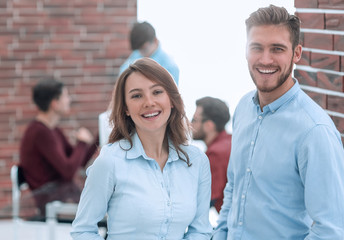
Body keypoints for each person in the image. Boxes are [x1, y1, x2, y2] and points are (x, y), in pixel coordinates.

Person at [213, 5, 344, 240]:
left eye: (277, 49)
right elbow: (234, 189)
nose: (265, 59)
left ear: (296, 53)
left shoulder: (314, 131)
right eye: (257, 48)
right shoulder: (243, 108)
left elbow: (330, 229)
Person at [71, 58, 212, 240]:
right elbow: (82, 230)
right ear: (126, 109)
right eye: (137, 95)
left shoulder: (196, 161)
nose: (149, 102)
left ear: (171, 99)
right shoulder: (110, 162)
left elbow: (200, 230)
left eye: (157, 92)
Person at [20, 78, 98, 218]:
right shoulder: (39, 132)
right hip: (52, 203)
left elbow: (78, 163)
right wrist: (81, 143)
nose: (69, 99)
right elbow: (68, 171)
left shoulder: (53, 130)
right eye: (66, 96)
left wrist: (98, 137)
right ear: (55, 104)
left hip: (62, 197)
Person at [99, 21, 180, 147]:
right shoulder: (136, 56)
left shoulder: (169, 66)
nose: (142, 53)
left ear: (155, 41)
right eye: (137, 95)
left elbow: (172, 100)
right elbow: (122, 83)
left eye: (156, 92)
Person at [191, 97, 231, 213]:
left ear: (208, 125)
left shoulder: (216, 153)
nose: (190, 124)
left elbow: (206, 199)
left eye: (194, 120)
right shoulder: (231, 142)